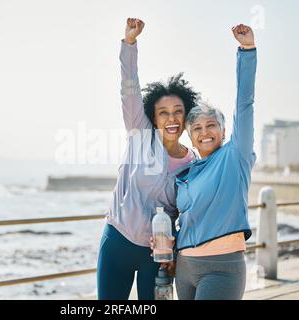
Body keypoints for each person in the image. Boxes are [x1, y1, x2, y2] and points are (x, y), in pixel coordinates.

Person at [96, 17, 199, 300]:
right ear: (153, 117)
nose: (171, 118)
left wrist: (175, 251)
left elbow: (190, 216)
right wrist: (130, 44)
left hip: (157, 253)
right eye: (163, 112)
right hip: (117, 240)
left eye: (177, 111)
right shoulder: (140, 134)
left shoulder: (194, 164)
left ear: (186, 115)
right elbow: (129, 87)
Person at [169, 24, 258, 300]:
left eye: (211, 126)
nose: (205, 132)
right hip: (183, 268)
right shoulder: (186, 174)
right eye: (197, 129)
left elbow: (245, 104)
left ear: (223, 130)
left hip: (222, 267)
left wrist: (247, 51)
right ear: (191, 138)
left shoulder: (234, 156)